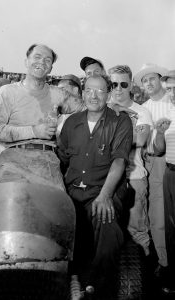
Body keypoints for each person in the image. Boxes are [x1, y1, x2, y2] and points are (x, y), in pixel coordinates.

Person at [57, 74, 133, 299]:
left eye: (100, 91)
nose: (94, 96)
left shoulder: (120, 121)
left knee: (106, 222)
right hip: (72, 192)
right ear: (82, 93)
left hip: (103, 190)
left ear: (108, 94)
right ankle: (69, 281)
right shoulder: (71, 122)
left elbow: (119, 160)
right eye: (89, 90)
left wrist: (105, 195)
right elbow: (62, 158)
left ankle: (97, 288)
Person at [0, 44, 84, 190]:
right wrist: (35, 131)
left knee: (57, 209)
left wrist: (116, 106)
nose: (42, 62)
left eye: (47, 60)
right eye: (37, 57)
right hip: (14, 162)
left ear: (51, 68)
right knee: (12, 209)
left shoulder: (57, 94)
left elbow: (89, 107)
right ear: (26, 61)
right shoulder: (7, 92)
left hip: (47, 163)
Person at [108, 65, 153, 256]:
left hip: (133, 177)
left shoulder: (141, 111)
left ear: (131, 85)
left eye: (123, 83)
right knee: (107, 233)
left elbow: (141, 140)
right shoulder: (100, 108)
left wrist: (109, 138)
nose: (118, 88)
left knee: (138, 230)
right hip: (105, 179)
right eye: (114, 83)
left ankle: (148, 278)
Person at [134, 63, 170, 280]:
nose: (148, 83)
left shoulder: (172, 102)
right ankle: (164, 263)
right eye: (144, 80)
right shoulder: (143, 108)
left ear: (160, 80)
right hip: (155, 163)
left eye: (152, 78)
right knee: (158, 216)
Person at [153, 70, 175, 294]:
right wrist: (159, 133)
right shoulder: (170, 111)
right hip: (170, 172)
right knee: (171, 229)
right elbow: (159, 149)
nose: (173, 93)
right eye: (170, 89)